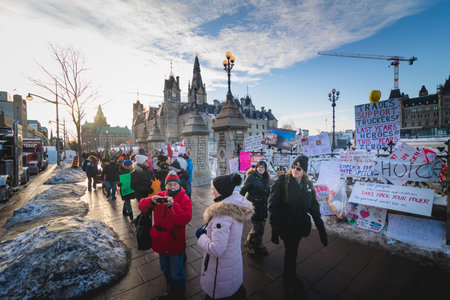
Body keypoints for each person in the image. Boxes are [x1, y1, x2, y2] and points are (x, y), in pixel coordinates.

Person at [268, 155, 328, 297]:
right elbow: (273, 205)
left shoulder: (308, 185)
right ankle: (288, 282)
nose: (295, 170)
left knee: (293, 252)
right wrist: (274, 229)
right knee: (290, 252)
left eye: (299, 168)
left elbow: (314, 207)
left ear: (305, 171)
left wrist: (321, 230)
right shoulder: (283, 181)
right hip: (286, 225)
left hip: (300, 226)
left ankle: (291, 276)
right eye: (294, 166)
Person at [196, 173, 253, 300]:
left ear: (221, 192)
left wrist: (201, 237)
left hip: (220, 270)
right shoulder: (236, 205)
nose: (211, 191)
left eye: (213, 189)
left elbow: (217, 249)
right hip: (232, 262)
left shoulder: (221, 216)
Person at [138, 171, 192, 300]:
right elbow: (141, 205)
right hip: (160, 240)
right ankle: (170, 289)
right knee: (165, 268)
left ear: (179, 185)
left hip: (174, 241)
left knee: (176, 272)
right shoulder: (160, 195)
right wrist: (151, 200)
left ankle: (178, 294)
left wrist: (174, 205)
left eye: (175, 184)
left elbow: (184, 219)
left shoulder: (184, 199)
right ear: (165, 185)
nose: (172, 187)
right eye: (169, 184)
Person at [239, 160, 270, 257]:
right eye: (259, 167)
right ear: (256, 168)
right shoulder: (251, 177)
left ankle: (258, 244)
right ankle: (249, 244)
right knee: (257, 226)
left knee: (262, 226)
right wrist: (241, 203)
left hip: (263, 205)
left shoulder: (265, 178)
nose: (261, 169)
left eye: (263, 168)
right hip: (254, 204)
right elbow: (242, 190)